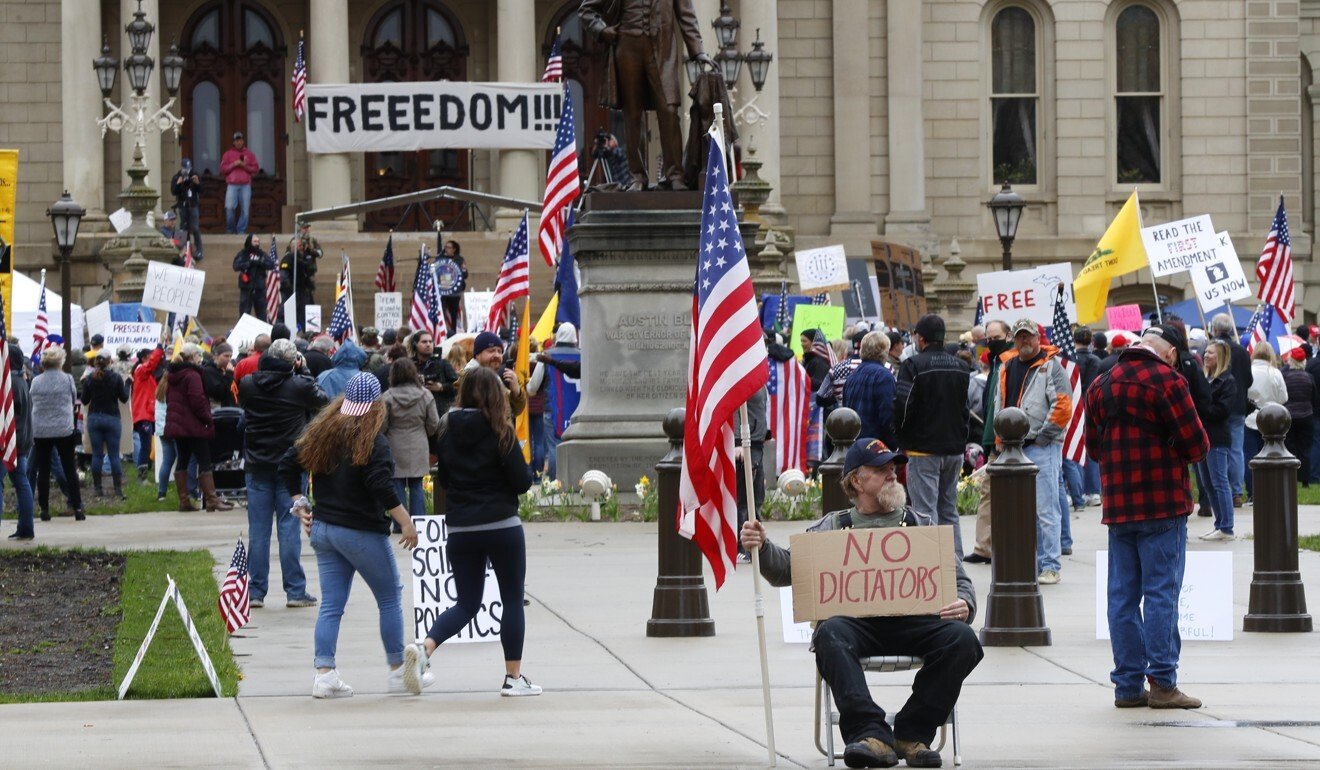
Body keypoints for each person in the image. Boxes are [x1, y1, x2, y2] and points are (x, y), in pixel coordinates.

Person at [740, 438, 981, 769]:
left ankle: (912, 733)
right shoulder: (833, 527)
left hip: (915, 622)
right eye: (880, 470)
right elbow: (786, 569)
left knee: (963, 639)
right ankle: (870, 735)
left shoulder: (920, 524)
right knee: (829, 634)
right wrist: (763, 545)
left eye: (893, 468)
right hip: (857, 626)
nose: (892, 474)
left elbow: (961, 581)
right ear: (856, 480)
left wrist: (965, 603)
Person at [280, 372, 425, 699]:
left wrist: (298, 500)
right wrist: (406, 521)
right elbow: (381, 485)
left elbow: (288, 463)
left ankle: (325, 674)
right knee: (389, 597)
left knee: (331, 604)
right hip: (359, 532)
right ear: (377, 404)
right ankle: (397, 670)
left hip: (324, 530)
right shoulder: (374, 440)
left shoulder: (323, 432)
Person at [1085, 324, 1207, 710]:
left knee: (1121, 597)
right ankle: (1164, 683)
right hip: (1163, 503)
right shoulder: (1168, 381)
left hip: (1119, 506)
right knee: (1160, 594)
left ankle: (1126, 685)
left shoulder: (1099, 385)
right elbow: (1197, 445)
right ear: (1169, 353)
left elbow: (1093, 449)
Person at [404, 366, 537, 697]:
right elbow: (521, 483)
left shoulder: (446, 432)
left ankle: (425, 649)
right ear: (495, 395)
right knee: (511, 601)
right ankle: (512, 678)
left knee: (466, 603)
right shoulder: (501, 431)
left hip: (461, 527)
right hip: (501, 524)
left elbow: (444, 481)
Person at [579, 0, 713, 191]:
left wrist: (698, 51)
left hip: (662, 49)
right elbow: (587, 9)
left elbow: (686, 15)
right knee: (632, 114)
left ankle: (675, 175)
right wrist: (601, 30)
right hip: (627, 47)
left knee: (669, 109)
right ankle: (638, 177)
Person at [239, 338, 326, 610]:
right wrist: (303, 370)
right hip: (291, 466)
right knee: (289, 529)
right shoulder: (299, 385)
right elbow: (321, 399)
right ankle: (295, 591)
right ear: (292, 362)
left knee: (259, 530)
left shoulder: (248, 385)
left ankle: (255, 591)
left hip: (257, 463)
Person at [994, 318, 1071, 584]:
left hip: (1041, 447)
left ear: (1039, 338)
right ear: (1014, 339)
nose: (1024, 341)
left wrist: (1042, 438)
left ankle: (1050, 565)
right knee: (1022, 511)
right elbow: (1000, 403)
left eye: (1028, 336)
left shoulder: (1051, 367)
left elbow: (1063, 406)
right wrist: (999, 438)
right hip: (1012, 447)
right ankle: (1035, 563)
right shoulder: (1007, 366)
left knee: (1046, 509)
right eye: (1020, 336)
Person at [894, 314, 971, 560]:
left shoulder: (913, 365)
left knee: (925, 510)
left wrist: (901, 436)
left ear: (921, 337)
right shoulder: (960, 366)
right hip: (954, 448)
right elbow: (965, 408)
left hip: (923, 449)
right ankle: (954, 562)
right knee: (949, 509)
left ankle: (931, 564)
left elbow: (903, 406)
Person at [165, 343, 234, 512]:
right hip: (193, 424)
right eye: (198, 355)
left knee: (182, 459)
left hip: (178, 424)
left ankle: (184, 500)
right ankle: (212, 499)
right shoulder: (193, 375)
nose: (200, 358)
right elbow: (198, 401)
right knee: (204, 460)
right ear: (193, 356)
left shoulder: (173, 374)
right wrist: (207, 418)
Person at [30, 346, 84, 521]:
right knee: (69, 467)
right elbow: (73, 396)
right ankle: (77, 507)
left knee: (43, 470)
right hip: (63, 428)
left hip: (41, 429)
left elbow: (32, 398)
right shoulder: (67, 379)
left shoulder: (36, 381)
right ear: (60, 361)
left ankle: (44, 509)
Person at [382, 357, 440, 521]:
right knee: (416, 484)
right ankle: (419, 521)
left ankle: (400, 523)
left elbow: (383, 425)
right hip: (418, 442)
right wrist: (425, 432)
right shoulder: (425, 395)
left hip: (394, 443)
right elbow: (434, 424)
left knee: (397, 483)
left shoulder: (387, 397)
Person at [528, 322, 581, 480]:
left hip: (553, 409)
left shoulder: (547, 356)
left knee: (554, 447)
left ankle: (555, 484)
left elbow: (532, 387)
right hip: (579, 410)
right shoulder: (584, 355)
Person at [1210, 313, 1252, 505]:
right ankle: (1235, 491)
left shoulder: (1211, 350)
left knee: (1218, 449)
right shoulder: (1242, 351)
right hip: (1237, 407)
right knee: (1236, 450)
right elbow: (1249, 380)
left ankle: (1223, 490)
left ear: (1215, 329)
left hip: (1217, 406)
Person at [1199, 340, 1239, 541]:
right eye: (1206, 352)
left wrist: (1202, 407)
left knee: (1219, 482)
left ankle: (1227, 527)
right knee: (1207, 483)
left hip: (1216, 437)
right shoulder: (1204, 379)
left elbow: (1222, 411)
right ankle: (1219, 524)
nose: (1206, 355)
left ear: (1221, 356)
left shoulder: (1227, 381)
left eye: (1211, 353)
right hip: (1202, 436)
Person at [81, 351, 130, 501]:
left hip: (95, 418)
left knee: (97, 455)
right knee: (114, 455)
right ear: (110, 362)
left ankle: (97, 490)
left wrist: (85, 385)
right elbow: (124, 398)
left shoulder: (90, 378)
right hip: (112, 418)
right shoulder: (115, 378)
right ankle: (118, 491)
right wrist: (128, 383)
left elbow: (84, 400)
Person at [1244, 342, 1288, 501]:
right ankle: (1271, 490)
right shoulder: (1275, 373)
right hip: (1272, 420)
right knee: (1272, 457)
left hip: (1250, 417)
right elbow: (1284, 398)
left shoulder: (1248, 371)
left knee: (1250, 456)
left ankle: (1252, 493)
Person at [842, 331, 898, 451]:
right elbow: (888, 415)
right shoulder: (884, 376)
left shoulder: (851, 377)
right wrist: (893, 445)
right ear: (884, 352)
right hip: (876, 448)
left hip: (855, 446)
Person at [1067, 326, 1103, 508]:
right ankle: (1094, 491)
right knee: (1089, 448)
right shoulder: (1095, 360)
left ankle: (1080, 491)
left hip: (1075, 407)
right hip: (1089, 406)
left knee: (1075, 450)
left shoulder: (1071, 360)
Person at [4, 341, 36, 540]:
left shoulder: (11, 385)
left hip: (10, 442)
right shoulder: (21, 381)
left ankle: (25, 526)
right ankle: (26, 526)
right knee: (22, 483)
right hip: (22, 440)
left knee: (10, 483)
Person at [462, 332, 526, 417]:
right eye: (491, 351)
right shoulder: (469, 378)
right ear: (477, 354)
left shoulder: (494, 378)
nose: (497, 355)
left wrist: (517, 392)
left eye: (499, 351)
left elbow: (512, 411)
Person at [1282, 346, 1319, 486]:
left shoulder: (1285, 376)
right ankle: (1305, 481)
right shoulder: (1309, 377)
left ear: (1291, 360)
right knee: (1305, 449)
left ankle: (1292, 477)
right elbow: (1314, 398)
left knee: (1290, 448)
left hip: (1289, 416)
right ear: (1304, 361)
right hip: (1306, 416)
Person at [280, 224, 322, 331]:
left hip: (303, 288)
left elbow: (318, 255)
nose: (302, 247)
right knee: (288, 312)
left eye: (302, 246)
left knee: (304, 310)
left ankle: (304, 329)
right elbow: (284, 274)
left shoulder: (311, 243)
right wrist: (288, 286)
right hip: (291, 290)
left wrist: (311, 252)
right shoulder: (288, 258)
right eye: (299, 246)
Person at [409, 329, 458, 415]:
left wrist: (442, 387)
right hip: (417, 412)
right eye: (424, 342)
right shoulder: (409, 365)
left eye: (430, 341)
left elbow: (457, 386)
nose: (428, 344)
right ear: (415, 345)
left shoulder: (443, 364)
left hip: (440, 412)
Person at [220, 131, 258, 234]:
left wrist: (244, 166)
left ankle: (241, 231)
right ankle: (230, 230)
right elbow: (223, 169)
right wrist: (234, 164)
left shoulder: (249, 154)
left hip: (245, 185)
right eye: (236, 140)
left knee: (245, 210)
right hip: (232, 185)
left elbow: (255, 168)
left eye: (240, 140)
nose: (239, 142)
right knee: (229, 208)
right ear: (234, 142)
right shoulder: (228, 154)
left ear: (243, 141)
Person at [233, 234, 273, 321]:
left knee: (262, 313)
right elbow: (236, 266)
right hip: (247, 288)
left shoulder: (262, 254)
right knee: (244, 313)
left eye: (258, 241)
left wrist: (261, 262)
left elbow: (271, 265)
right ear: (249, 242)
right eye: (255, 241)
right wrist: (249, 263)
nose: (257, 243)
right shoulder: (243, 254)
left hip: (260, 288)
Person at [170, 157, 203, 258]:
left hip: (193, 205)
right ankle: (183, 250)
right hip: (182, 205)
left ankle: (199, 250)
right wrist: (179, 183)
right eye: (185, 168)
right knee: (183, 227)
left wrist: (197, 183)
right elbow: (173, 191)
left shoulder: (195, 174)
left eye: (188, 168)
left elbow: (201, 190)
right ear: (182, 167)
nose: (187, 171)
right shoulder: (177, 177)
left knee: (195, 227)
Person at [437, 240, 468, 333]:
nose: (446, 249)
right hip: (442, 292)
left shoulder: (460, 260)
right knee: (441, 313)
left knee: (453, 313)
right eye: (445, 247)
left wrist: (463, 270)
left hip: (454, 292)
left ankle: (453, 331)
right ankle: (442, 332)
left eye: (449, 247)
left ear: (454, 249)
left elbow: (465, 275)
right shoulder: (440, 259)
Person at [201, 342, 237, 409]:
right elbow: (219, 393)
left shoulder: (225, 369)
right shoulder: (208, 371)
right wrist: (228, 374)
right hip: (218, 410)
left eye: (230, 356)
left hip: (229, 408)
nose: (229, 359)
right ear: (216, 356)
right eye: (226, 356)